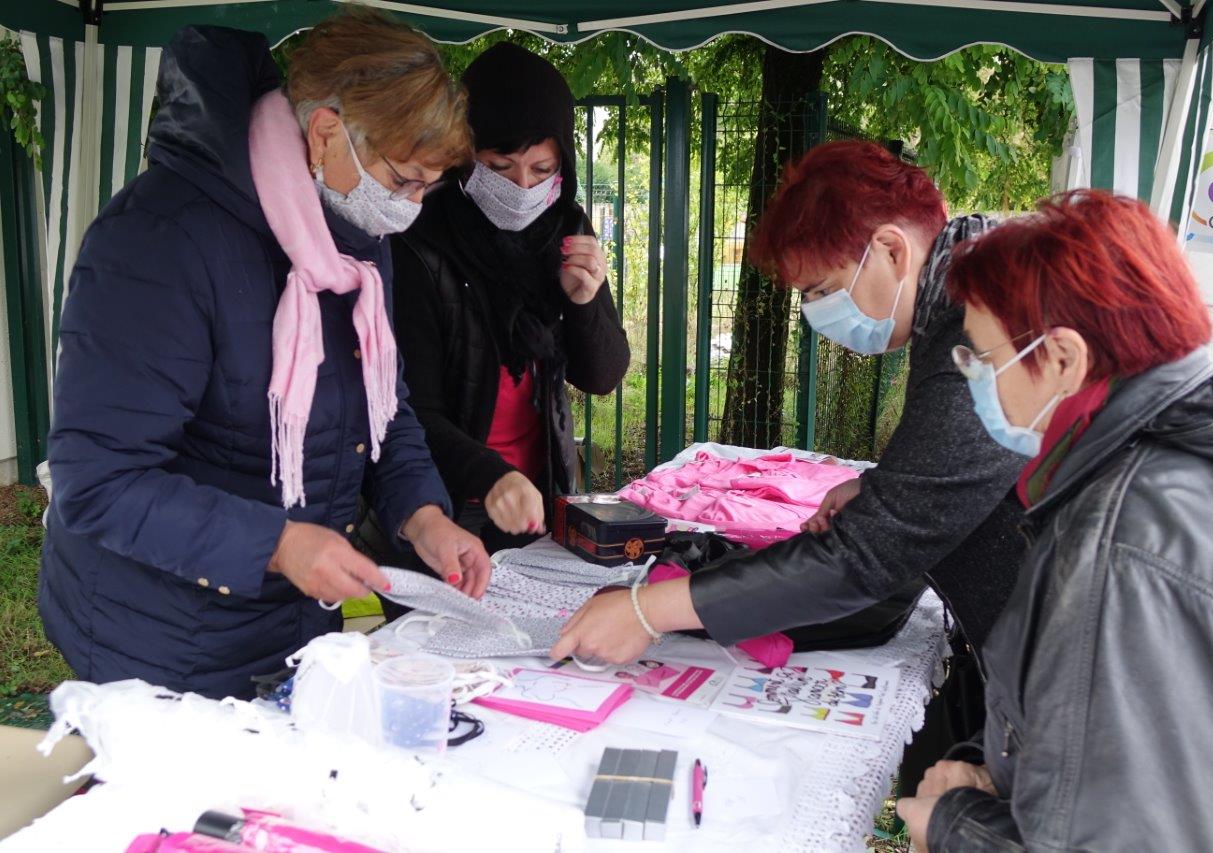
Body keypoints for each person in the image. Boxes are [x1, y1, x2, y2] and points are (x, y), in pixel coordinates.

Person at [40, 10, 490, 701]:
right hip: (158, 644)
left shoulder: (354, 237)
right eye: (403, 180)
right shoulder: (160, 240)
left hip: (293, 629)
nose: (412, 207)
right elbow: (98, 476)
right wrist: (278, 544)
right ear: (325, 132)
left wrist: (422, 515)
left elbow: (383, 408)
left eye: (427, 187)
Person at [552, 139, 1029, 791]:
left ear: (892, 250)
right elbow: (964, 464)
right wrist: (880, 486)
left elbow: (863, 558)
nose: (817, 314)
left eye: (825, 289)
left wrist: (648, 609)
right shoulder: (963, 285)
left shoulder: (981, 327)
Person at [896, 190, 1213, 852]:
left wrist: (953, 823)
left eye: (984, 361)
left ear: (1065, 360)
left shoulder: (1127, 544)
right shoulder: (1197, 462)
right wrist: (996, 769)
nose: (978, 384)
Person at [374, 41, 629, 557]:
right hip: (443, 505)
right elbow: (412, 410)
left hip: (536, 494)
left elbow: (602, 376)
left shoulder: (566, 228)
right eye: (500, 165)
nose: (521, 188)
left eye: (541, 170)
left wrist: (584, 302)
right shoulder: (419, 244)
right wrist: (491, 475)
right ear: (465, 156)